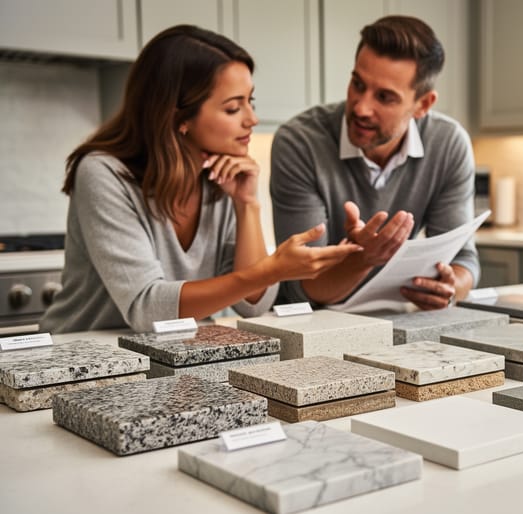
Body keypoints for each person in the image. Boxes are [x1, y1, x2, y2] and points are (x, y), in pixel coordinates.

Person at [39, 25, 361, 334]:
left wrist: (247, 203)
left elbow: (254, 303)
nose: (252, 119)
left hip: (166, 359)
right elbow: (146, 308)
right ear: (180, 117)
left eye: (251, 101)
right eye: (234, 108)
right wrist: (274, 268)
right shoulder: (103, 173)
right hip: (80, 359)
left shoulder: (220, 179)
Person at [271, 15, 479, 311]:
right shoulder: (300, 142)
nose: (361, 107)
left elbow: (463, 262)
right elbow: (302, 288)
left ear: (423, 105)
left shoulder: (448, 144)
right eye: (357, 84)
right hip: (314, 324)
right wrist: (363, 260)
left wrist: (450, 287)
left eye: (384, 97)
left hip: (399, 320)